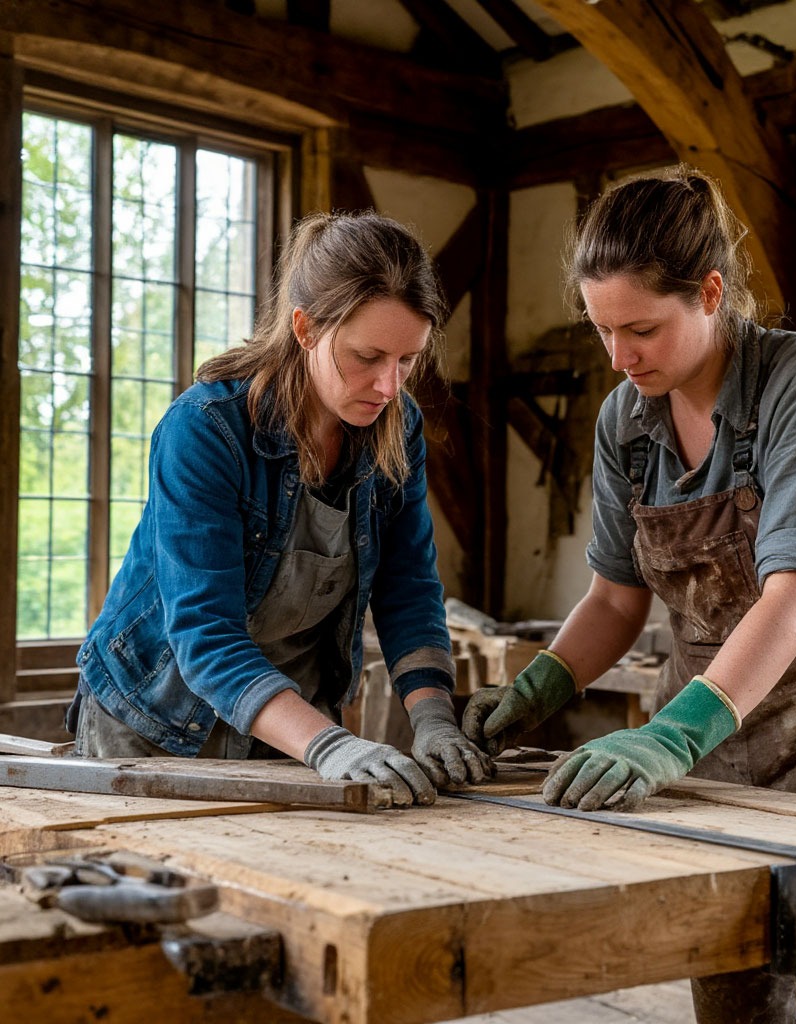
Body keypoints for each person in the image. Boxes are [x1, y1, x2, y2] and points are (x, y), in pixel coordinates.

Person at [462, 167, 796, 1022]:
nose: (618, 357)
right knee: (733, 991)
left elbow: (795, 597)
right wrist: (537, 689)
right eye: (602, 330)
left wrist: (668, 735)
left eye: (640, 328)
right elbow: (614, 600)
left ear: (711, 292)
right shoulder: (624, 422)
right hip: (710, 752)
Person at [69, 209, 491, 807]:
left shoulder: (398, 428)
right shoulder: (205, 430)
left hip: (292, 724)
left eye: (407, 360)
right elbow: (206, 635)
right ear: (305, 328)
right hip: (154, 720)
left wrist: (433, 718)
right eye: (367, 356)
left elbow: (409, 588)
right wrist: (332, 746)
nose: (388, 386)